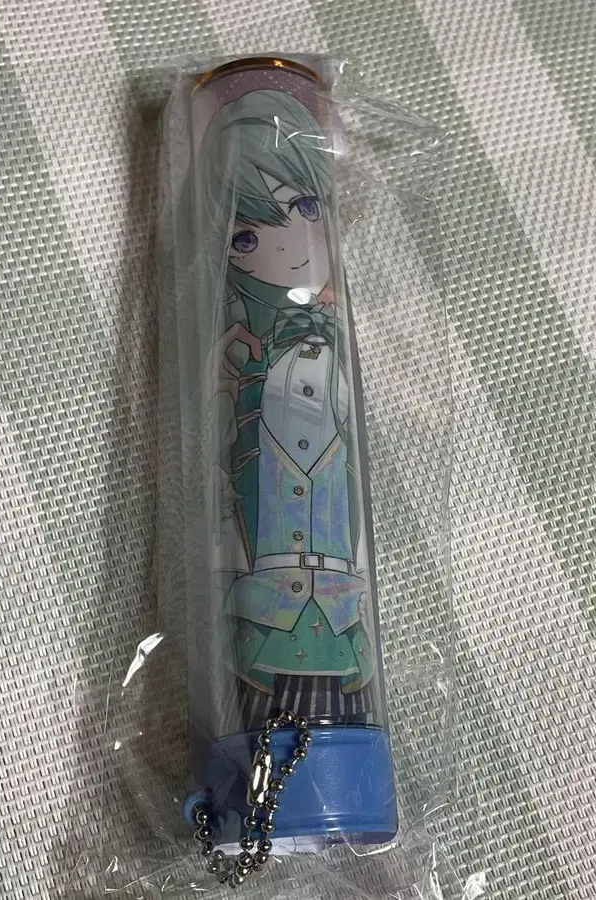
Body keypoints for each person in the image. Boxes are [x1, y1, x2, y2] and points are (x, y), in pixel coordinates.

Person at [197, 89, 377, 728]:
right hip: (260, 618)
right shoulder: (236, 354)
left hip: (341, 613)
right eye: (248, 235)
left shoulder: (335, 340)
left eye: (303, 208)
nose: (284, 246)